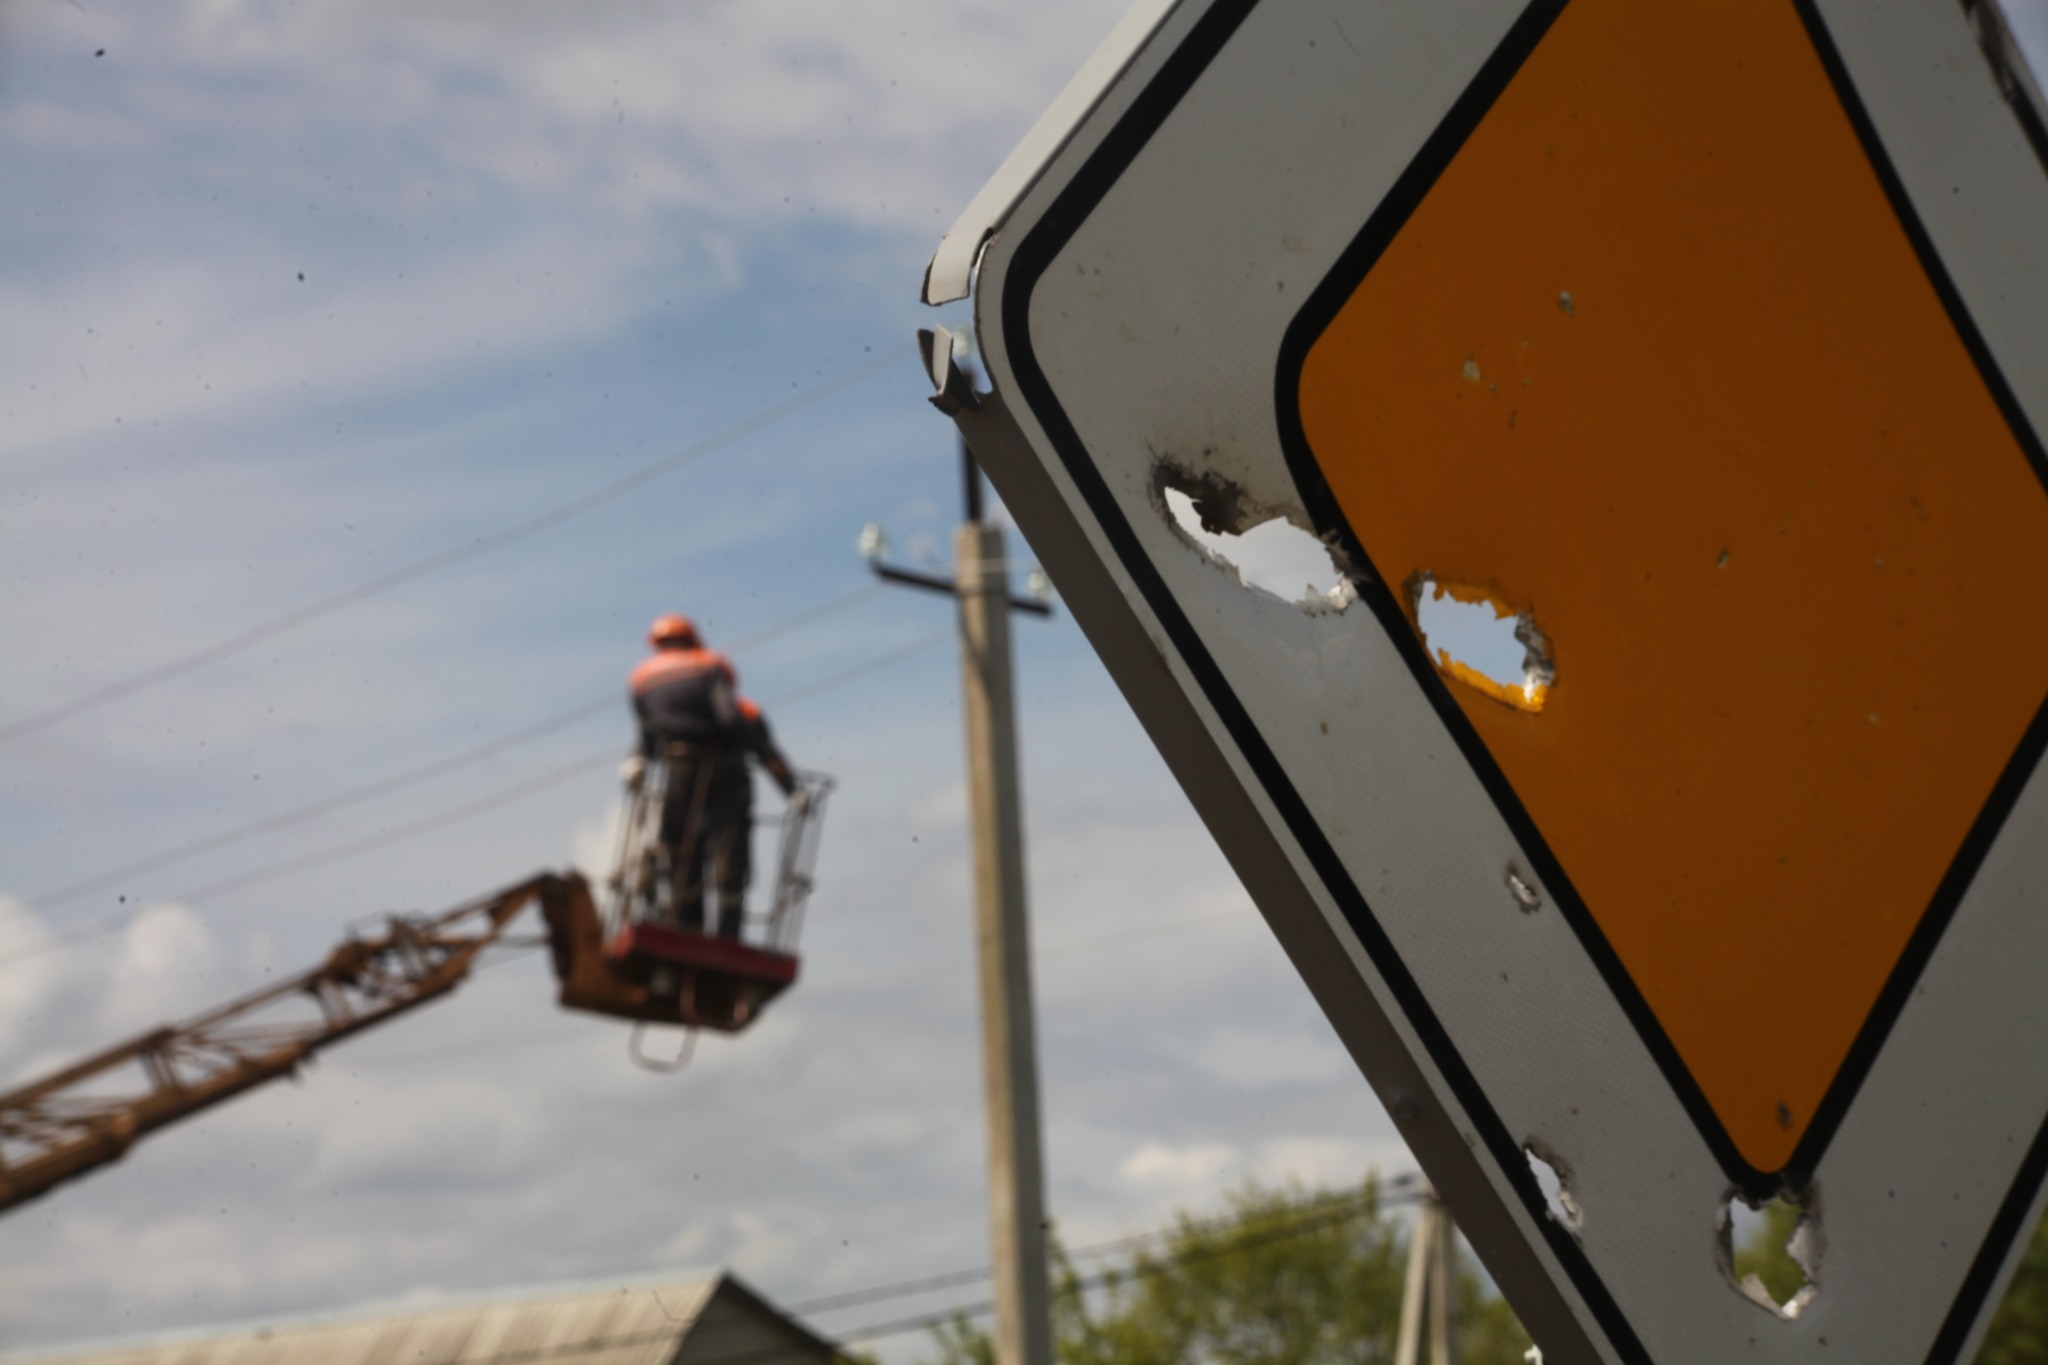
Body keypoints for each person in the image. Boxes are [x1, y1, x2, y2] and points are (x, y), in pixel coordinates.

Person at [623, 614, 796, 939]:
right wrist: (790, 787)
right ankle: (727, 933)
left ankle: (685, 928)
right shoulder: (710, 665)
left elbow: (647, 735)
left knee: (679, 850)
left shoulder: (641, 678)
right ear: (693, 639)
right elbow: (729, 718)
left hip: (677, 773)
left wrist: (638, 761)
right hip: (722, 770)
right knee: (729, 847)